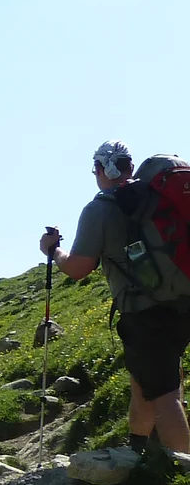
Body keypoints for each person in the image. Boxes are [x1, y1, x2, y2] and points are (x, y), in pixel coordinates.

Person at [40, 140, 190, 458]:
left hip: (144, 310)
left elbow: (79, 267)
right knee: (145, 379)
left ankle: (184, 472)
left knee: (164, 394)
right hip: (182, 302)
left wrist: (53, 251)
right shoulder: (156, 199)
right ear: (130, 167)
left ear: (100, 170)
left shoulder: (101, 208)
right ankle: (137, 450)